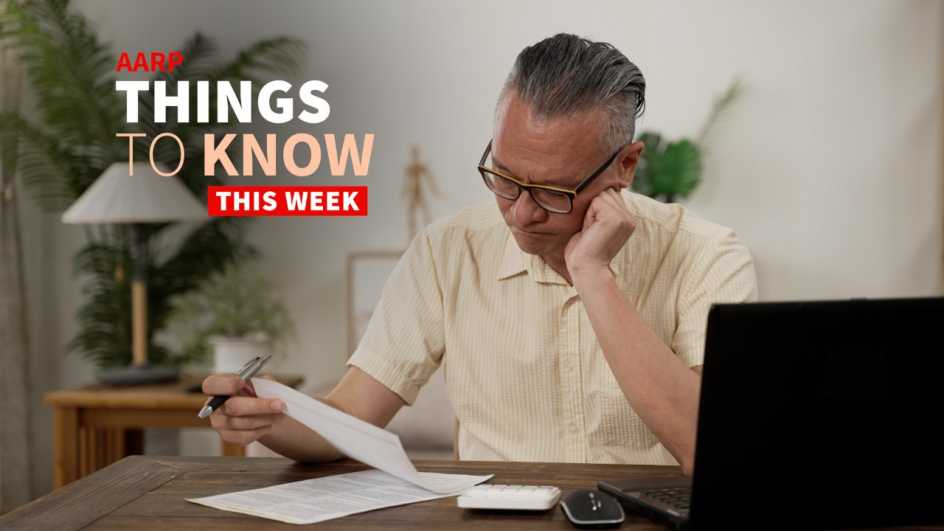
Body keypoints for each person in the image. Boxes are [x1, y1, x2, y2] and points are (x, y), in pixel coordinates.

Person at [202, 33, 757, 475]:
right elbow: (351, 417)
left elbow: (706, 448)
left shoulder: (708, 255)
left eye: (554, 192)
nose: (520, 213)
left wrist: (593, 274)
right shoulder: (449, 250)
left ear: (626, 165)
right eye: (504, 178)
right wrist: (268, 415)